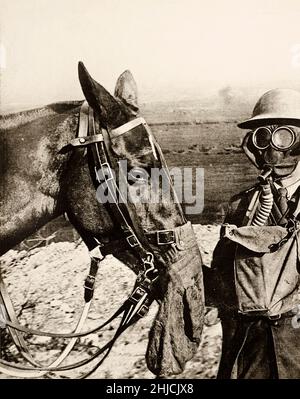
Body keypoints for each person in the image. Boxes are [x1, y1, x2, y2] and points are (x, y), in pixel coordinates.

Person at [206, 88, 300, 379]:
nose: (274, 149)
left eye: (286, 135)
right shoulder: (241, 207)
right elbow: (222, 277)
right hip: (250, 350)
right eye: (263, 136)